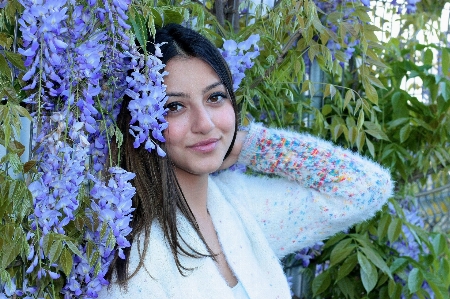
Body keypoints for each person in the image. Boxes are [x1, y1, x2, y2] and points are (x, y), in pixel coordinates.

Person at [99, 23, 393, 299]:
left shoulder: (240, 205)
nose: (204, 123)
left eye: (215, 98)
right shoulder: (135, 256)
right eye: (175, 106)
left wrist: (251, 145)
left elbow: (365, 188)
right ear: (140, 118)